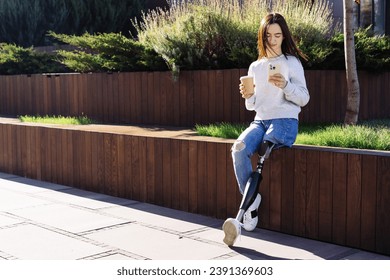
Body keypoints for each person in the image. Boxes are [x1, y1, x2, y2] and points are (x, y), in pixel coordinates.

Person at [222, 12, 310, 246]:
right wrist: (248, 96)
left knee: (265, 145)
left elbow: (304, 98)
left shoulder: (291, 62)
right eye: (268, 35)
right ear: (262, 36)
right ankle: (251, 203)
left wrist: (287, 86)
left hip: (285, 121)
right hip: (260, 120)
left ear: (284, 36)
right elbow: (253, 106)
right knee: (238, 148)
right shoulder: (255, 67)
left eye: (278, 35)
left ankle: (244, 211)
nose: (273, 40)